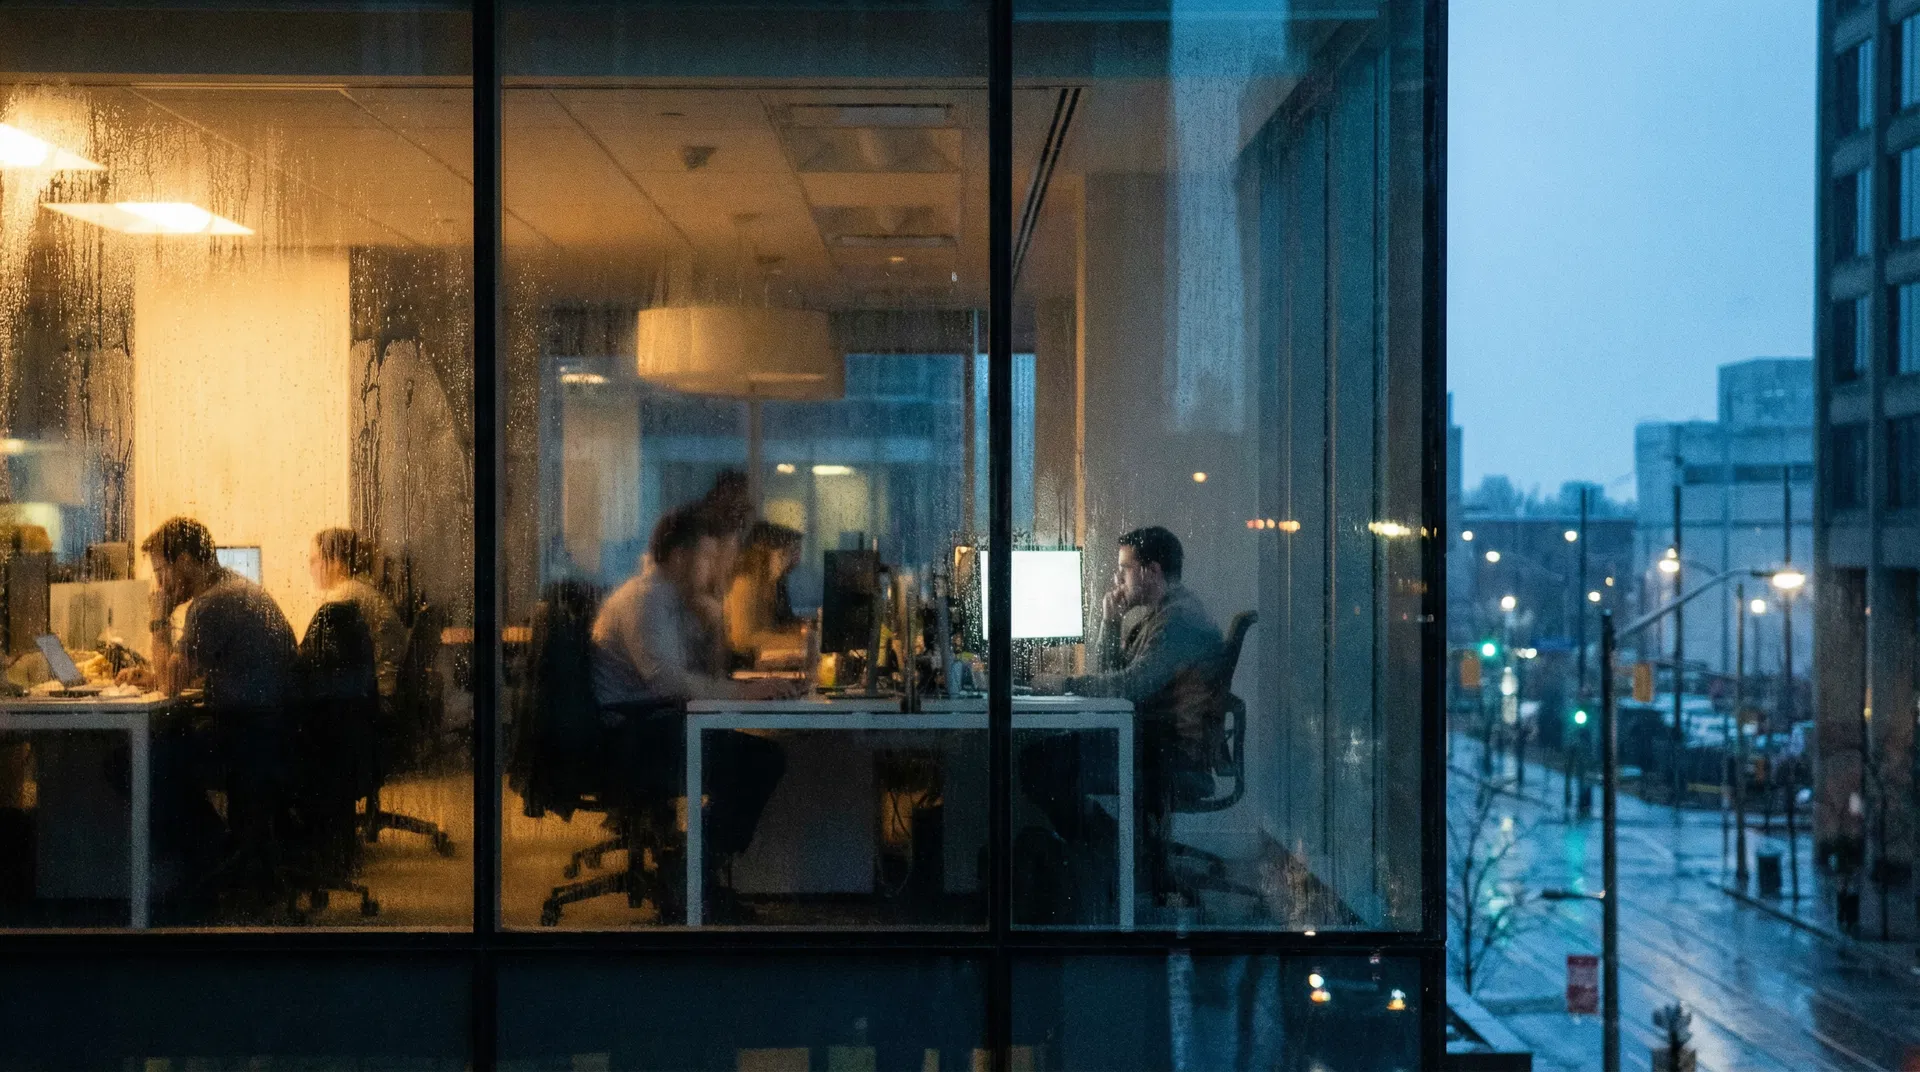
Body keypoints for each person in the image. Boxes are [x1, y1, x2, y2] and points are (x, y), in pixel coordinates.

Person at [591, 507, 793, 918]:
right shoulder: (645, 602)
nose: (713, 567)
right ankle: (691, 875)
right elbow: (672, 685)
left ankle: (693, 872)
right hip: (633, 741)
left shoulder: (666, 600)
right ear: (681, 557)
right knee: (762, 761)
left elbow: (701, 674)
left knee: (758, 757)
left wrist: (715, 620)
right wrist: (744, 693)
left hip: (650, 727)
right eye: (706, 558)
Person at [1024, 525, 1225, 917]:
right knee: (1042, 758)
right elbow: (1118, 681)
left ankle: (1117, 853)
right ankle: (1124, 851)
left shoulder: (1177, 621)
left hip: (1166, 756)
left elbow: (1128, 687)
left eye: (1124, 569)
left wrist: (1062, 683)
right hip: (1152, 743)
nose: (1118, 579)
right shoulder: (1164, 614)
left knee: (1038, 763)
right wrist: (1110, 620)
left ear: (1150, 571)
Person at [118, 517, 299, 915]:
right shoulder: (234, 587)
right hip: (269, 732)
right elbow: (183, 673)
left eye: (162, 570)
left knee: (134, 761)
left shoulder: (211, 604)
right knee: (162, 748)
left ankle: (209, 855)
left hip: (249, 738)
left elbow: (170, 686)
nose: (161, 583)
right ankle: (223, 852)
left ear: (184, 561)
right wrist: (152, 674)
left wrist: (158, 616)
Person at [307, 527, 408, 701]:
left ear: (336, 561)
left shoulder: (343, 596)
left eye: (314, 561)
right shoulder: (360, 589)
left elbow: (319, 661)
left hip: (378, 697)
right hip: (388, 690)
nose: (311, 569)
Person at [724, 521, 805, 664]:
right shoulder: (745, 582)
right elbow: (743, 640)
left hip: (758, 660)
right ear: (768, 552)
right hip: (743, 663)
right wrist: (802, 642)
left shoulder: (770, 583)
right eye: (788, 552)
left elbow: (773, 627)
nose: (796, 560)